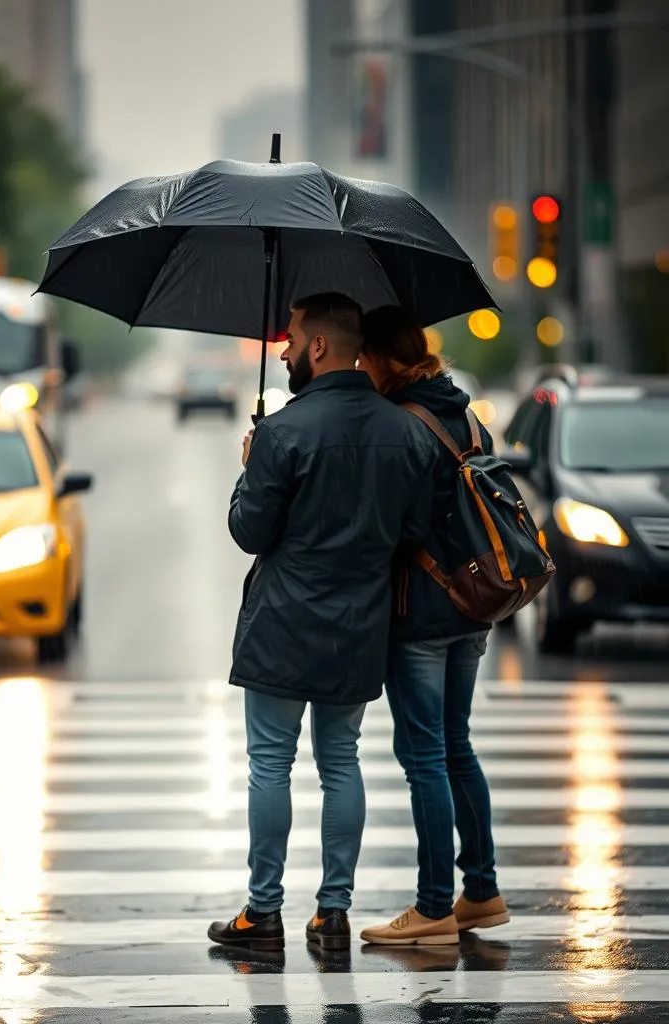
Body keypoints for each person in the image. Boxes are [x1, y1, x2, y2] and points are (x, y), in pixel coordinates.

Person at [207, 293, 438, 953]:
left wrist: (250, 470)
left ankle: (264, 912)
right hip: (358, 626)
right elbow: (414, 532)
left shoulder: (283, 432)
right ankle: (333, 914)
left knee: (270, 764)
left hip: (283, 625)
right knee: (341, 762)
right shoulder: (405, 432)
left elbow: (248, 531)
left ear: (317, 347)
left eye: (290, 339)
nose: (280, 351)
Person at [356, 305, 509, 947]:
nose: (360, 366)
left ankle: (432, 906)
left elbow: (406, 527)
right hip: (473, 603)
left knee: (424, 757)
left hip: (420, 610)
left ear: (387, 359)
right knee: (455, 746)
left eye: (365, 356)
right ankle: (482, 890)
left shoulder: (402, 424)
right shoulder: (466, 414)